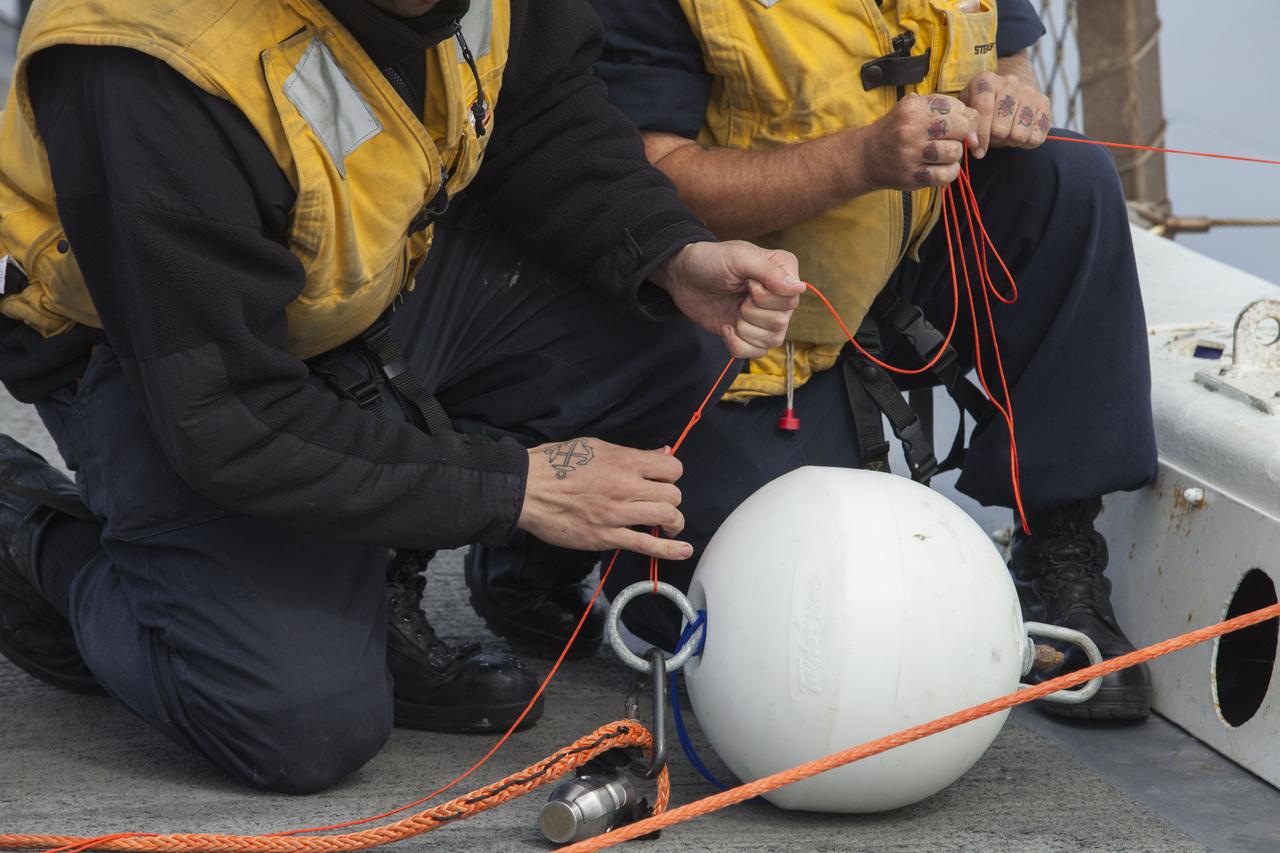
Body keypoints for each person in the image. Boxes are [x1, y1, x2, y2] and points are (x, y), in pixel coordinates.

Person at [0, 0, 806, 793]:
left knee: (672, 340)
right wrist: (515, 486)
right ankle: (34, 542)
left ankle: (381, 574)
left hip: (356, 280)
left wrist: (669, 252)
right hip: (152, 343)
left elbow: (542, 112)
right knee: (295, 720)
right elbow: (229, 418)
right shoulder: (151, 56)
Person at [470, 0, 1159, 721]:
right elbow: (635, 185)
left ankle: (1060, 554)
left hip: (889, 266)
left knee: (1066, 176)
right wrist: (858, 159)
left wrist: (1007, 90)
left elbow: (1009, 49)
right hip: (715, 326)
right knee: (787, 644)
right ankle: (539, 535)